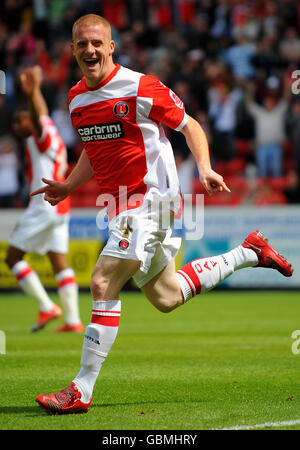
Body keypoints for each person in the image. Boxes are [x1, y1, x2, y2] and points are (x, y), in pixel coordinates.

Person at [33, 14, 293, 414]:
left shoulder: (139, 86)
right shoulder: (76, 99)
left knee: (103, 281)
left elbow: (190, 126)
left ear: (111, 46)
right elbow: (92, 147)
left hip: (153, 200)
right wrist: (69, 184)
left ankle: (80, 389)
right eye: (82, 44)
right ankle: (250, 252)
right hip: (121, 206)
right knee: (167, 296)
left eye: (97, 43)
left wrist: (204, 167)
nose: (90, 50)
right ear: (72, 50)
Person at [6, 65, 83, 334]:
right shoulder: (49, 130)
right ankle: (73, 320)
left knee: (12, 258)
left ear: (30, 119)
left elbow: (39, 116)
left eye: (20, 120)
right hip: (60, 207)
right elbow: (41, 116)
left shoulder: (41, 134)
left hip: (44, 205)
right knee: (58, 260)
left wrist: (33, 91)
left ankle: (46, 306)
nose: (16, 126)